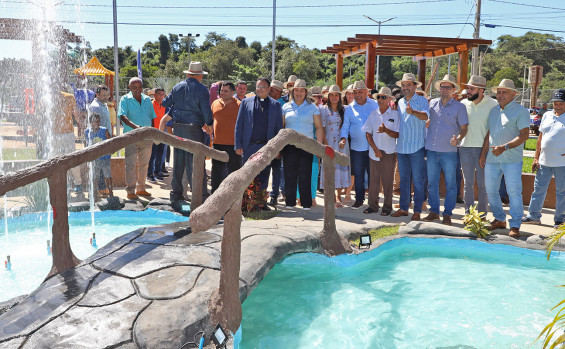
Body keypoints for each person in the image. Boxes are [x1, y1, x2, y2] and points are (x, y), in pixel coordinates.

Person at [479, 79, 530, 238]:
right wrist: (483, 153)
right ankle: (500, 219)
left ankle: (515, 224)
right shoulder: (494, 111)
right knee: (491, 190)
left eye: (504, 92)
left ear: (514, 94)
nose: (500, 95)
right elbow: (490, 134)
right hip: (492, 159)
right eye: (498, 92)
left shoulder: (521, 111)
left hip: (512, 159)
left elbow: (524, 135)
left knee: (514, 192)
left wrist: (505, 147)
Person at [160, 61, 213, 203]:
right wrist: (210, 124)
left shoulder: (177, 87)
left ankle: (176, 195)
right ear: (200, 75)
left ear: (188, 74)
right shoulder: (202, 90)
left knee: (178, 162)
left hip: (178, 128)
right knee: (195, 163)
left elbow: (165, 103)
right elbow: (206, 112)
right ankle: (200, 196)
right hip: (194, 130)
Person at [422, 75, 468, 226]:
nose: (445, 90)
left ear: (454, 90)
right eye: (443, 87)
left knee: (451, 184)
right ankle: (434, 212)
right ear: (439, 89)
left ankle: (447, 214)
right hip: (432, 150)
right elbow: (425, 120)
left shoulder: (460, 107)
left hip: (449, 151)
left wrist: (458, 139)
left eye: (448, 87)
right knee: (432, 183)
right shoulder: (432, 103)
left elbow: (464, 128)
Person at [235, 77, 283, 209]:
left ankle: (261, 203)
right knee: (246, 175)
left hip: (266, 146)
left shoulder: (276, 105)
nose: (259, 89)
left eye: (262, 87)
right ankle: (245, 203)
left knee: (264, 174)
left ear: (269, 89)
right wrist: (238, 145)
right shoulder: (246, 102)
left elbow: (279, 129)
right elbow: (239, 125)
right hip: (249, 145)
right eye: (258, 87)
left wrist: (278, 148)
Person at [522, 89, 565, 228]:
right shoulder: (546, 115)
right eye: (555, 103)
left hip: (562, 163)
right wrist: (535, 158)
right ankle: (533, 216)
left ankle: (560, 220)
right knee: (538, 189)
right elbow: (540, 138)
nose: (557, 106)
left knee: (562, 191)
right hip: (543, 161)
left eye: (561, 104)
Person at [391, 73, 429, 221]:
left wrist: (413, 112)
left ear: (415, 86)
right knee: (404, 180)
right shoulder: (399, 102)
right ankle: (403, 208)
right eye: (403, 85)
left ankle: (418, 210)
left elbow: (426, 116)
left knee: (418, 180)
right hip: (401, 147)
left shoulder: (422, 100)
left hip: (417, 146)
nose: (405, 87)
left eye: (408, 85)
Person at [282, 79, 323, 210]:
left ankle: (306, 203)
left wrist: (319, 146)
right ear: (292, 92)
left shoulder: (313, 108)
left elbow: (319, 127)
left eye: (301, 90)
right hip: (289, 145)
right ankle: (290, 202)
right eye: (296, 90)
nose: (299, 93)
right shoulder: (285, 107)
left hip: (307, 144)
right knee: (289, 174)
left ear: (306, 92)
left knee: (306, 173)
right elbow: (282, 127)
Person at [460, 75, 498, 215]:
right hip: (465, 148)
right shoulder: (463, 103)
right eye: (467, 88)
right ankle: (469, 214)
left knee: (483, 184)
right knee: (467, 183)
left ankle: (482, 214)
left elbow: (494, 128)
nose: (468, 91)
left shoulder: (493, 104)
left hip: (485, 150)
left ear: (481, 90)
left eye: (471, 88)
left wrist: (484, 151)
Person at [339, 81, 378, 209]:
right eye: (355, 92)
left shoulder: (374, 105)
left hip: (373, 147)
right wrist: (343, 138)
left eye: (360, 92)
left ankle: (373, 200)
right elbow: (345, 126)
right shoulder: (349, 108)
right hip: (356, 147)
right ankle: (359, 199)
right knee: (359, 174)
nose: (357, 95)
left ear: (367, 92)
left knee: (373, 174)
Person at [361, 87, 399, 216]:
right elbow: (368, 133)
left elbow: (397, 134)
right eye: (379, 97)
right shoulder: (373, 114)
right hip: (374, 153)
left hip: (389, 153)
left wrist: (386, 130)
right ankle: (372, 206)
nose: (380, 100)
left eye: (383, 97)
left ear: (389, 99)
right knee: (373, 181)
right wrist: (375, 150)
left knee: (388, 181)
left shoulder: (395, 114)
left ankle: (387, 207)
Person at [118, 77, 157, 200]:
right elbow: (122, 116)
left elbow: (152, 117)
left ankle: (141, 188)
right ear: (129, 87)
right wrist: (136, 127)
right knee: (131, 164)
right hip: (131, 137)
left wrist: (152, 132)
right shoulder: (125, 99)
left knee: (144, 164)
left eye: (139, 87)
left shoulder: (147, 100)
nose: (137, 90)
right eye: (134, 87)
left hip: (146, 137)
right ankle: (130, 190)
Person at [320, 85, 350, 207]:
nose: (334, 97)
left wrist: (343, 139)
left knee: (340, 168)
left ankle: (338, 196)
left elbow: (346, 126)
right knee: (330, 167)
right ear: (328, 97)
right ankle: (331, 195)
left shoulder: (344, 109)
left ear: (339, 97)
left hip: (341, 143)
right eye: (331, 95)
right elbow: (321, 127)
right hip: (329, 141)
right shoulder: (323, 110)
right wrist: (325, 143)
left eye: (336, 95)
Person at [210, 82, 241, 193]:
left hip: (234, 146)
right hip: (217, 144)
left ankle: (232, 197)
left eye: (225, 91)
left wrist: (240, 145)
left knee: (233, 174)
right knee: (216, 173)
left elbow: (243, 125)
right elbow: (210, 121)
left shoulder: (239, 105)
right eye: (221, 91)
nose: (222, 93)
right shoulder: (215, 103)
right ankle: (214, 196)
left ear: (233, 92)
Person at [84, 113, 113, 198]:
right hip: (94, 159)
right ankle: (94, 194)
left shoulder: (104, 131)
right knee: (94, 177)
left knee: (108, 176)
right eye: (94, 121)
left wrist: (109, 152)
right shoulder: (87, 132)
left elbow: (111, 142)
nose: (97, 123)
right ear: (90, 123)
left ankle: (111, 193)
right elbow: (85, 144)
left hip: (105, 158)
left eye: (98, 121)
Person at [268, 79, 286, 205]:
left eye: (272, 90)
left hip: (277, 141)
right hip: (266, 141)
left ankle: (275, 194)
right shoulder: (268, 102)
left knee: (277, 170)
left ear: (279, 92)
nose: (270, 92)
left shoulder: (281, 105)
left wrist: (279, 146)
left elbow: (281, 126)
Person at [147, 88, 169, 182]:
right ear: (154, 95)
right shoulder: (151, 105)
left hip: (162, 132)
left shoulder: (164, 105)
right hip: (153, 133)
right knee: (152, 154)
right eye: (159, 94)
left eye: (163, 95)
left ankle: (157, 172)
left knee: (160, 153)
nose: (161, 96)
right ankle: (149, 174)